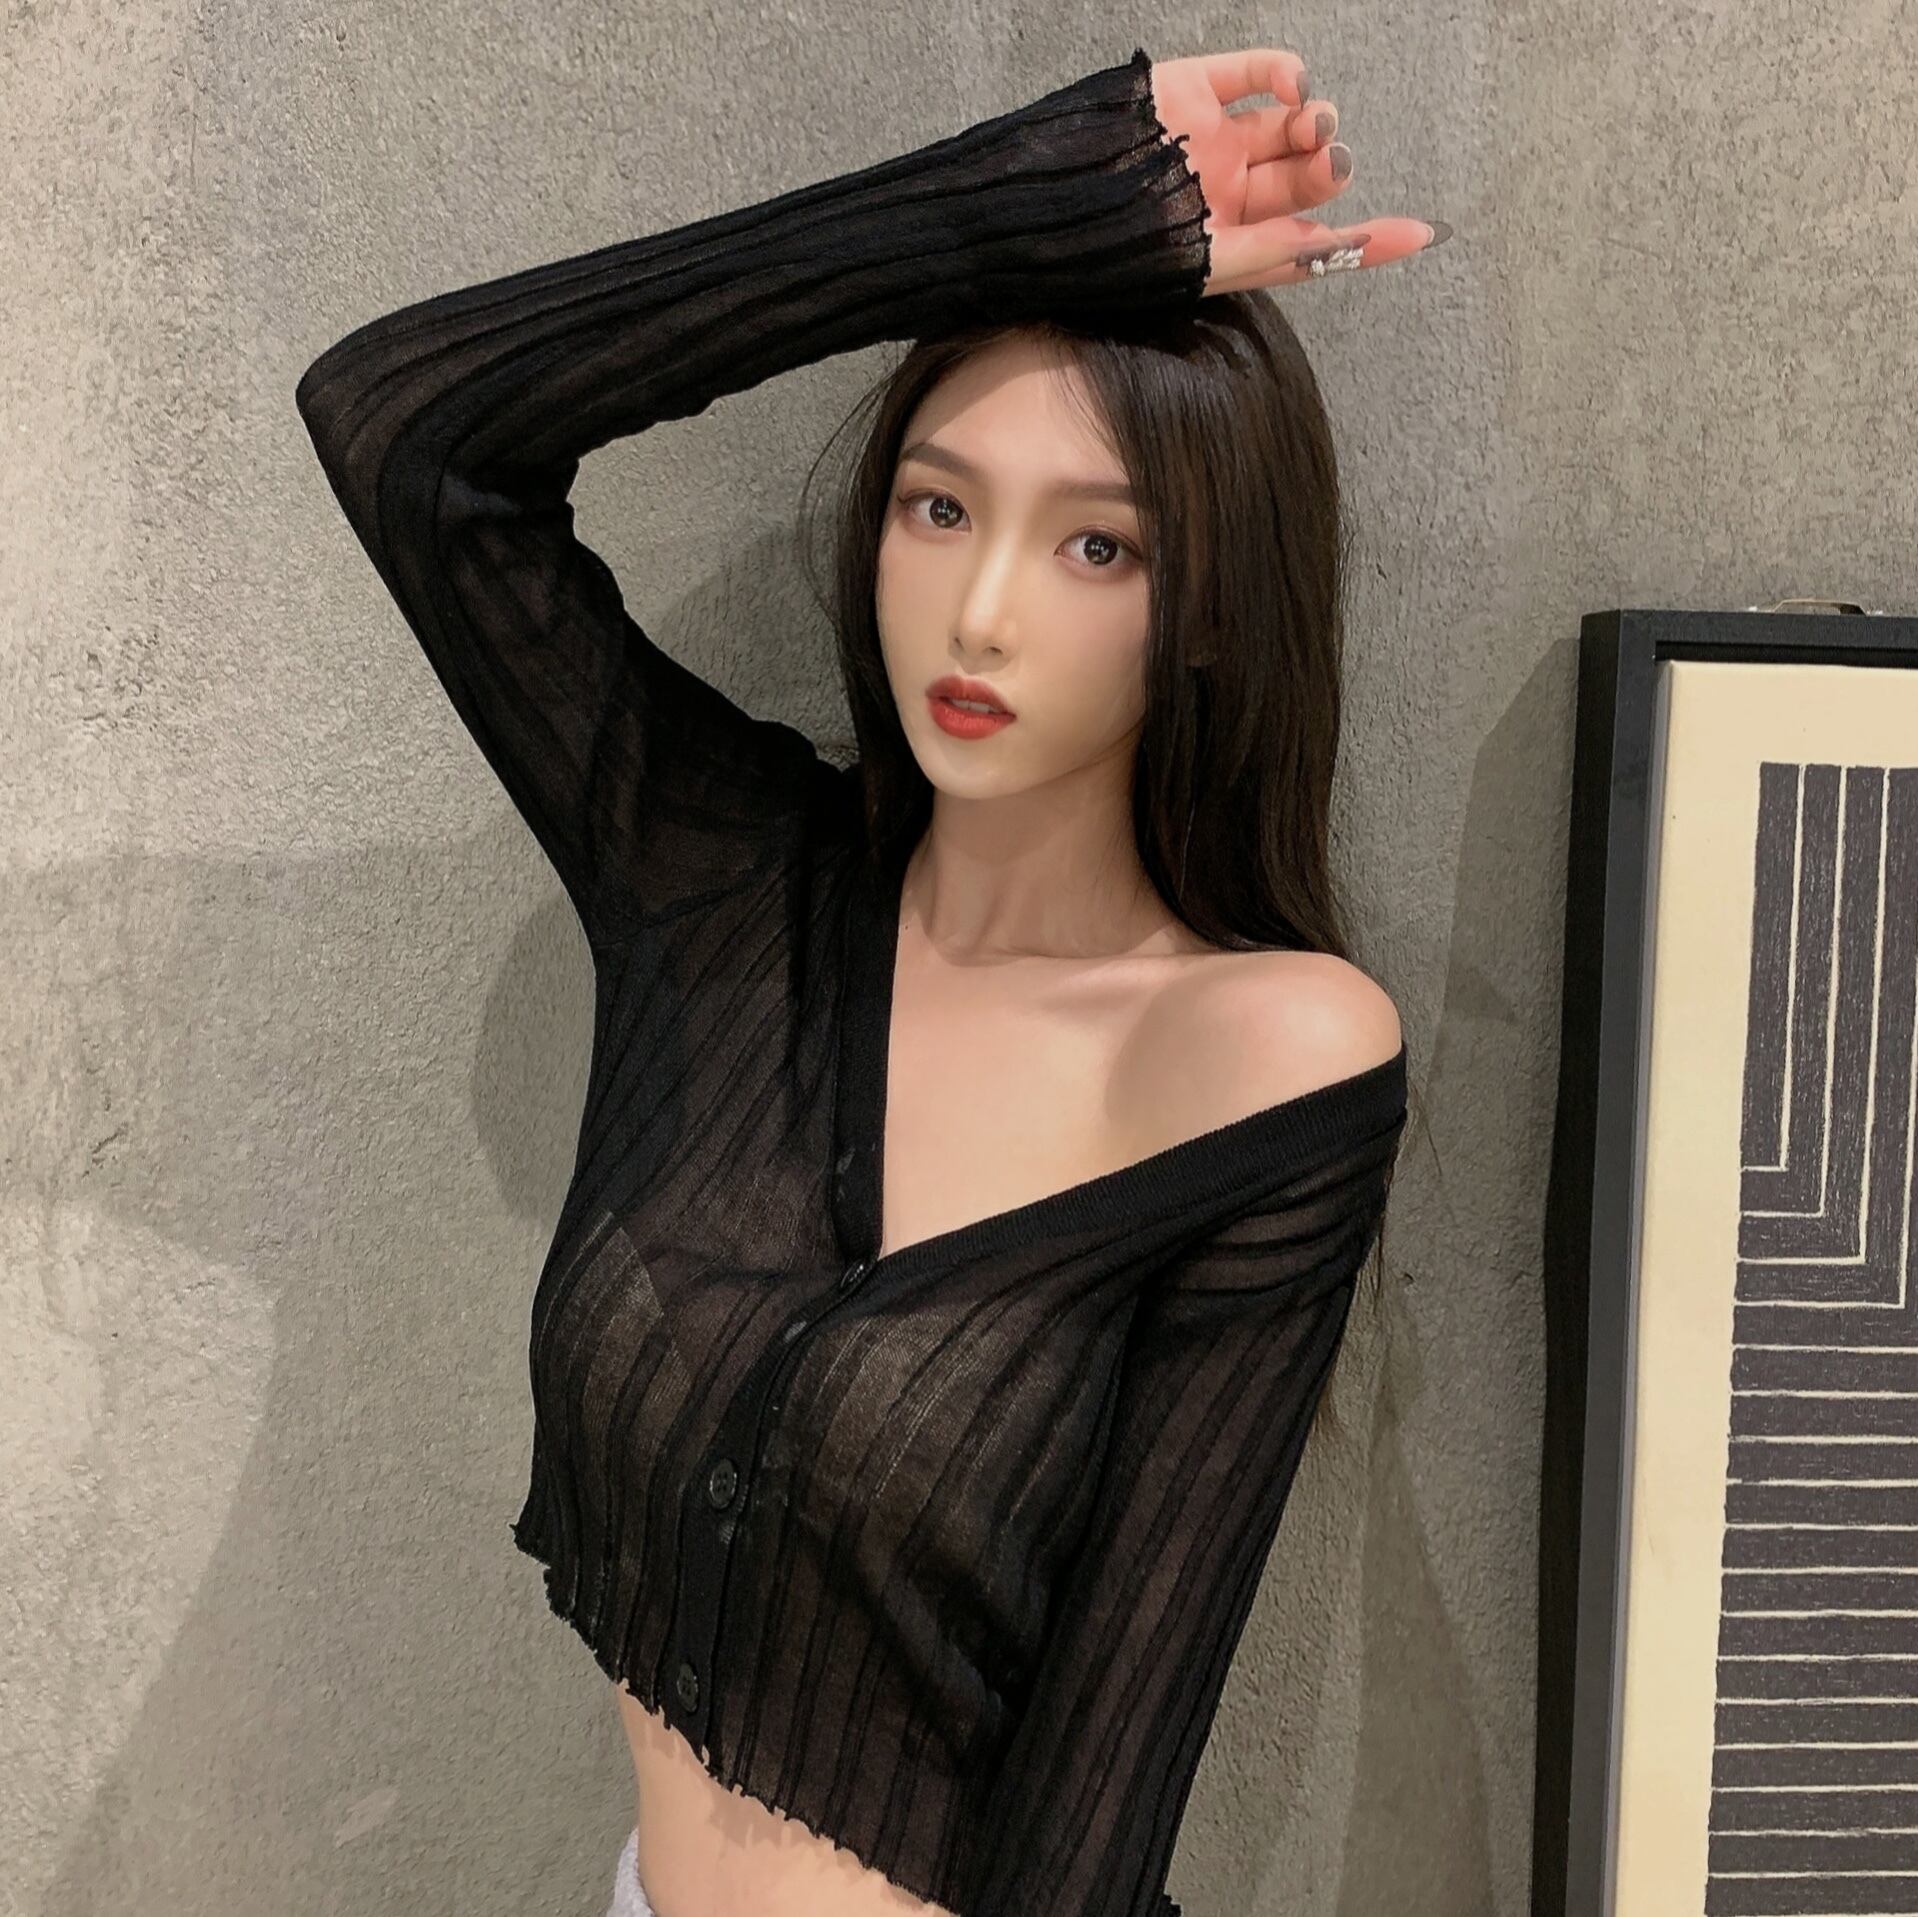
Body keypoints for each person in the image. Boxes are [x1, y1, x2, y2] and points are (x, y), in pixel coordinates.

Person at [295, 40, 1443, 1917]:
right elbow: (406, 426)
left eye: (1096, 544)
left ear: (1212, 607)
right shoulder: (714, 884)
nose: (981, 611)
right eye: (937, 505)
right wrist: (1004, 216)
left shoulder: (1266, 1053)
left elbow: (1102, 1785)